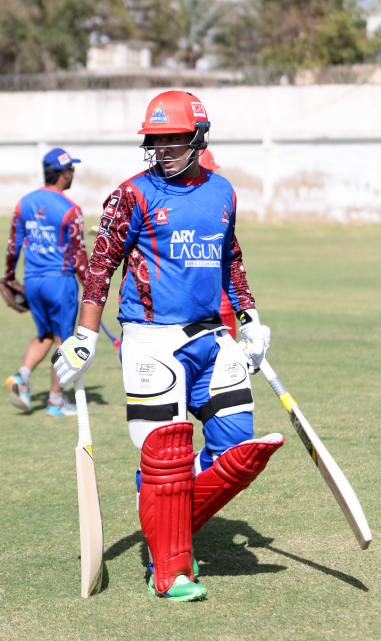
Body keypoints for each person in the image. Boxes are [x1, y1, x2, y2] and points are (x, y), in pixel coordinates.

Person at [52, 91, 284, 601]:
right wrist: (85, 337)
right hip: (148, 337)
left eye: (174, 137)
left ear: (199, 137)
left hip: (211, 334)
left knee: (239, 451)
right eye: (155, 139)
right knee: (166, 454)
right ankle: (172, 566)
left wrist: (251, 320)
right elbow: (100, 267)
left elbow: (231, 259)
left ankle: (164, 511)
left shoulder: (223, 192)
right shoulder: (130, 194)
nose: (163, 148)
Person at [3, 147, 88, 416]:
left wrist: (7, 276)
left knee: (45, 335)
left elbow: (12, 245)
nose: (73, 172)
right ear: (63, 173)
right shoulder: (71, 209)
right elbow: (79, 256)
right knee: (63, 340)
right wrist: (90, 286)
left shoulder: (23, 202)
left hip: (32, 281)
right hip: (60, 282)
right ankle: (55, 402)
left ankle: (21, 378)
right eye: (71, 169)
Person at [199, 148, 237, 340]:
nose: (210, 176)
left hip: (221, 304)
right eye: (206, 171)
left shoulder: (217, 200)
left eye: (211, 171)